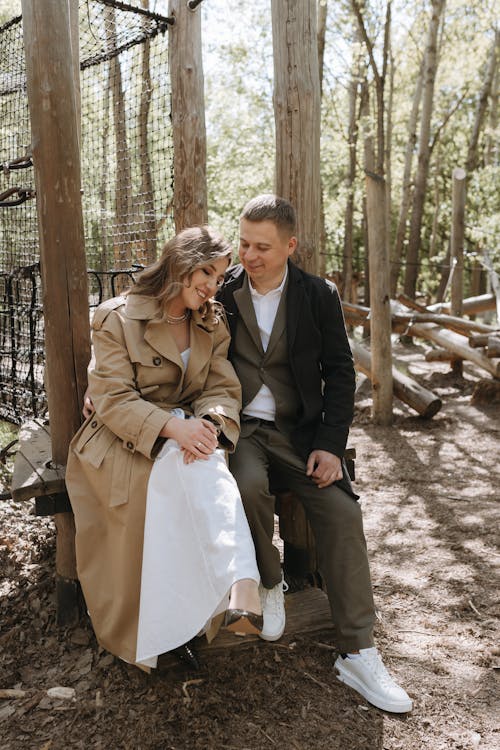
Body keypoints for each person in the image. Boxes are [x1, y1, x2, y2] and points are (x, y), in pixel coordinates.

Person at [216, 194, 412, 713]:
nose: (249, 256)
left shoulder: (317, 295)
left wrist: (329, 445)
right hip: (242, 431)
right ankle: (271, 580)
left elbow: (341, 372)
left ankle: (358, 651)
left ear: (290, 246)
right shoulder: (223, 290)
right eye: (244, 243)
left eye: (262, 247)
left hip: (301, 434)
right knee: (246, 485)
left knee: (344, 513)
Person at [66, 225, 262, 672]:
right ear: (181, 263)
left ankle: (195, 618)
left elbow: (220, 386)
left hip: (188, 432)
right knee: (185, 475)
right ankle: (237, 587)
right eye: (207, 273)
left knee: (202, 462)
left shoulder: (211, 320)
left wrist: (210, 424)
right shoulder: (117, 317)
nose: (213, 286)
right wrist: (174, 431)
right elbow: (113, 399)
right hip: (122, 438)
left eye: (219, 277)